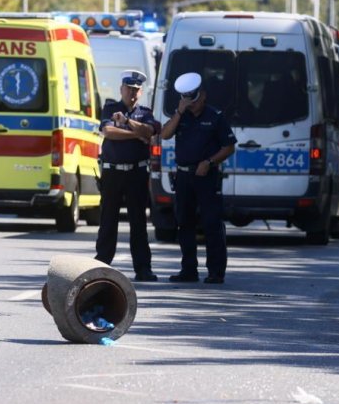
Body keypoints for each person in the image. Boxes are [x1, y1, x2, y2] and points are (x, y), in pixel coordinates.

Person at [160, 72, 236, 284]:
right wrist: (178, 112)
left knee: (212, 223)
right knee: (184, 223)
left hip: (206, 176)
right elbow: (164, 135)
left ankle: (215, 271)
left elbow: (229, 147)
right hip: (184, 176)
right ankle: (188, 270)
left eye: (192, 100)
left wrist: (210, 162)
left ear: (202, 95)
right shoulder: (181, 116)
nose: (190, 104)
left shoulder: (215, 117)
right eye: (186, 100)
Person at [94, 70, 160, 282]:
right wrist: (136, 135)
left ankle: (143, 268)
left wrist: (130, 123)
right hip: (113, 172)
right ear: (121, 89)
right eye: (128, 89)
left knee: (138, 222)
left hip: (137, 173)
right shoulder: (111, 108)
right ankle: (102, 265)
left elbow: (150, 131)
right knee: (108, 220)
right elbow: (109, 132)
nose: (131, 93)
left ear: (140, 92)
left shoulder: (145, 112)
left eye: (135, 90)